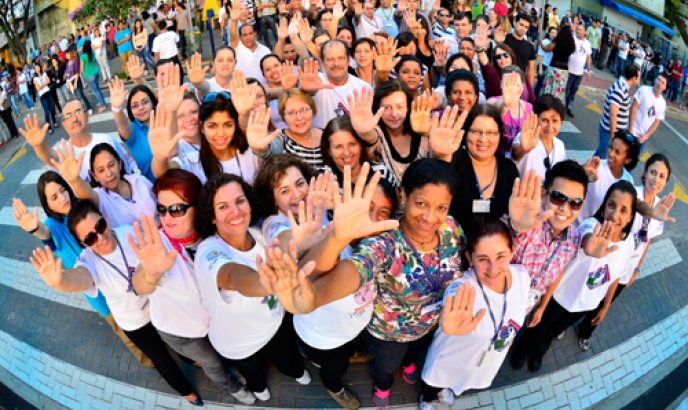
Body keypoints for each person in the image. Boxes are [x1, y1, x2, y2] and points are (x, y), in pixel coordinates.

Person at [258, 159, 462, 409]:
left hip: (424, 327)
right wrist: (308, 296)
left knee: (413, 354)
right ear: (405, 196)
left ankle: (408, 364)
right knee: (382, 367)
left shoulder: (451, 227)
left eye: (441, 206)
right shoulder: (382, 245)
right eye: (421, 204)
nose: (431, 216)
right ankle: (381, 386)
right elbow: (347, 274)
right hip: (386, 336)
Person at [29, 200, 204, 406]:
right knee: (162, 360)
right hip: (135, 321)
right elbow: (80, 277)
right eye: (90, 238)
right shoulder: (88, 262)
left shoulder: (126, 233)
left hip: (157, 303)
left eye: (100, 227)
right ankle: (186, 392)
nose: (101, 238)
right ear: (84, 244)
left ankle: (187, 358)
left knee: (176, 339)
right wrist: (61, 281)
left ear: (105, 220)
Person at [128, 169, 256, 405]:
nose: (167, 218)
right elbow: (139, 285)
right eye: (162, 209)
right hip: (183, 331)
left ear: (197, 207)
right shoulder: (158, 245)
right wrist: (151, 275)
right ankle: (235, 389)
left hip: (214, 319)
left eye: (177, 209)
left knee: (226, 352)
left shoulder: (213, 235)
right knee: (213, 364)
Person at [12, 171, 153, 368]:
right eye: (54, 197)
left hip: (118, 275)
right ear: (47, 205)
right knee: (124, 329)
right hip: (95, 287)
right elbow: (46, 234)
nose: (62, 198)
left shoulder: (81, 208)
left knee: (142, 310)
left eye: (63, 190)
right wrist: (34, 229)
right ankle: (148, 359)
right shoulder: (53, 225)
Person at [194, 173, 312, 401]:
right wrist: (263, 283)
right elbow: (232, 276)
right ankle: (258, 387)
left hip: (274, 323)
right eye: (223, 206)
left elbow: (284, 242)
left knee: (287, 358)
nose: (236, 212)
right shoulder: (209, 251)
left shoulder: (258, 235)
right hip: (240, 343)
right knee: (254, 371)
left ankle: (293, 371)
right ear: (212, 217)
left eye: (240, 201)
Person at [510, 180, 638, 372]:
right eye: (612, 205)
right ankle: (522, 350)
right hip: (559, 296)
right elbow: (586, 241)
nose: (615, 214)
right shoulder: (590, 226)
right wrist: (590, 247)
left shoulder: (628, 244)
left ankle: (539, 353)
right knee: (537, 327)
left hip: (585, 304)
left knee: (553, 332)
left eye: (623, 210)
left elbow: (615, 277)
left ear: (630, 218)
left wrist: (605, 306)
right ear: (604, 206)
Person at [419, 218, 531, 409]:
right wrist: (449, 317)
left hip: (483, 361)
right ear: (470, 258)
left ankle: (447, 389)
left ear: (512, 253)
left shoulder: (522, 277)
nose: (493, 269)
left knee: (461, 382)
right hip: (451, 357)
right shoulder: (464, 289)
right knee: (434, 383)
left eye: (500, 256)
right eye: (483, 259)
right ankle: (428, 400)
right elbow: (454, 294)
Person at [575, 154, 672, 350]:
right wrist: (651, 213)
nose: (656, 179)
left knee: (604, 303)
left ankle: (585, 331)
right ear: (645, 173)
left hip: (625, 268)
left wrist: (637, 268)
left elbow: (648, 240)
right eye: (653, 172)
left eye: (662, 176)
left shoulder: (661, 207)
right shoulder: (632, 196)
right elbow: (638, 208)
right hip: (607, 256)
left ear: (666, 182)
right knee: (589, 291)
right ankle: (568, 319)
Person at [430, 104, 520, 240]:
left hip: (491, 254)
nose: (483, 139)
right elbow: (440, 172)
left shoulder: (508, 169)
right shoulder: (454, 160)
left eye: (491, 133)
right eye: (476, 131)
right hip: (452, 250)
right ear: (465, 133)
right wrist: (441, 156)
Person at [52, 141, 157, 229]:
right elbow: (87, 194)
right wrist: (74, 180)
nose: (109, 173)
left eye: (111, 165)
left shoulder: (139, 180)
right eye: (101, 170)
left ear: (120, 163)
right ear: (95, 176)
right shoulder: (101, 198)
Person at [300, 41, 372, 129]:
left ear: (349, 60)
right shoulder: (314, 80)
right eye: (330, 59)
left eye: (341, 58)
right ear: (322, 62)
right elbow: (303, 98)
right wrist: (308, 92)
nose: (336, 64)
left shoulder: (364, 88)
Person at [247, 88, 324, 167]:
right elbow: (269, 150)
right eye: (291, 113)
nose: (299, 117)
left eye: (304, 109)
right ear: (283, 117)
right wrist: (259, 149)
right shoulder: (281, 139)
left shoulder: (327, 135)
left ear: (313, 110)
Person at [582, 131, 640, 223]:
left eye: (617, 152)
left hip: (599, 230)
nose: (611, 153)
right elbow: (575, 174)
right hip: (578, 223)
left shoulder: (628, 180)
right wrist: (583, 172)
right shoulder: (597, 166)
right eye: (611, 148)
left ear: (627, 160)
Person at [512, 94, 567, 181]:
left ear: (561, 123)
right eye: (545, 120)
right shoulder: (527, 138)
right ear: (536, 119)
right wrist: (523, 150)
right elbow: (515, 154)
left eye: (555, 121)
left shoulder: (560, 146)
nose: (550, 126)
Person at [595, 64, 641, 159]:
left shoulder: (623, 87)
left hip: (612, 132)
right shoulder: (620, 89)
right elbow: (613, 114)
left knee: (600, 155)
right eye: (639, 77)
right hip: (608, 132)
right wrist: (613, 136)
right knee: (602, 158)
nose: (640, 79)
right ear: (633, 78)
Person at [486, 66, 533, 156]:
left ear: (523, 87)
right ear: (500, 84)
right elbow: (497, 107)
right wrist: (506, 105)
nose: (512, 89)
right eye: (507, 84)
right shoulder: (491, 102)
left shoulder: (528, 108)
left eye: (516, 84)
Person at [228, 1, 272, 83]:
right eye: (244, 35)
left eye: (250, 33)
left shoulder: (264, 50)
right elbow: (233, 37)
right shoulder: (238, 46)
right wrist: (234, 20)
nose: (248, 37)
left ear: (255, 34)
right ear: (240, 37)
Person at [629, 73, 667, 154]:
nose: (659, 83)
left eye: (663, 82)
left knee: (633, 162)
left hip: (643, 138)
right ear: (655, 80)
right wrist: (630, 128)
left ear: (665, 88)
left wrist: (646, 136)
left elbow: (656, 122)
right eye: (659, 80)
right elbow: (633, 108)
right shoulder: (644, 90)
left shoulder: (662, 103)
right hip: (631, 131)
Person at [540, 25, 575, 101]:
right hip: (564, 70)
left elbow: (547, 49)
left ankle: (546, 103)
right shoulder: (571, 44)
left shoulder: (557, 41)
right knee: (559, 90)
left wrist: (541, 44)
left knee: (549, 88)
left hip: (554, 67)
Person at [564, 24, 591, 118]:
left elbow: (588, 57)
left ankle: (569, 108)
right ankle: (563, 106)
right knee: (566, 90)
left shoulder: (587, 43)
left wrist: (588, 71)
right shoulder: (572, 39)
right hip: (569, 70)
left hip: (579, 73)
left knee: (573, 91)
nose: (578, 31)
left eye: (580, 30)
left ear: (584, 32)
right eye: (577, 29)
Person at [504, 13, 536, 88]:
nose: (523, 29)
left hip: (520, 84)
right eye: (521, 25)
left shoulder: (530, 46)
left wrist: (530, 90)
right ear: (515, 22)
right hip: (504, 80)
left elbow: (531, 70)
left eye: (526, 27)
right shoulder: (505, 39)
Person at [80, 41, 108, 113]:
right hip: (96, 72)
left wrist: (85, 75)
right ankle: (103, 103)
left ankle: (103, 105)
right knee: (98, 89)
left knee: (95, 91)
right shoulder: (92, 53)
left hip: (89, 75)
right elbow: (96, 62)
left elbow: (82, 69)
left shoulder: (83, 57)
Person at [65, 47, 94, 114]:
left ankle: (88, 107)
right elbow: (67, 73)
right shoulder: (68, 62)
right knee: (77, 97)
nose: (66, 55)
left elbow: (77, 73)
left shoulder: (75, 61)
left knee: (81, 95)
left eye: (67, 53)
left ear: (71, 54)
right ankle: (82, 108)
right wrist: (68, 84)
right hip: (70, 81)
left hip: (76, 80)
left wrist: (75, 83)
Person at [33, 62, 58, 134]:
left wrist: (42, 85)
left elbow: (49, 81)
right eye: (36, 68)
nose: (37, 69)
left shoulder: (44, 73)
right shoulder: (35, 78)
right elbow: (38, 88)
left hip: (48, 92)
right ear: (35, 70)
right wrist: (44, 83)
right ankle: (49, 126)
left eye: (38, 67)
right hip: (42, 95)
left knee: (52, 107)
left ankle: (54, 122)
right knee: (47, 111)